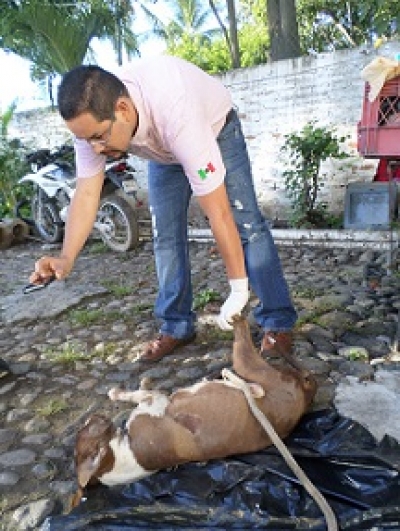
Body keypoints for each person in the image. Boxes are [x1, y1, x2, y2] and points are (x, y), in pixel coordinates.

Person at [29, 55, 297, 361]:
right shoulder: (91, 123)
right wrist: (66, 257)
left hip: (213, 131)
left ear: (123, 109)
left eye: (99, 137)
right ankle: (176, 325)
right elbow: (87, 194)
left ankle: (277, 320)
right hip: (163, 153)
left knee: (246, 222)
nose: (96, 149)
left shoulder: (176, 110)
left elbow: (219, 214)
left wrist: (237, 291)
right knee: (165, 235)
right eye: (85, 140)